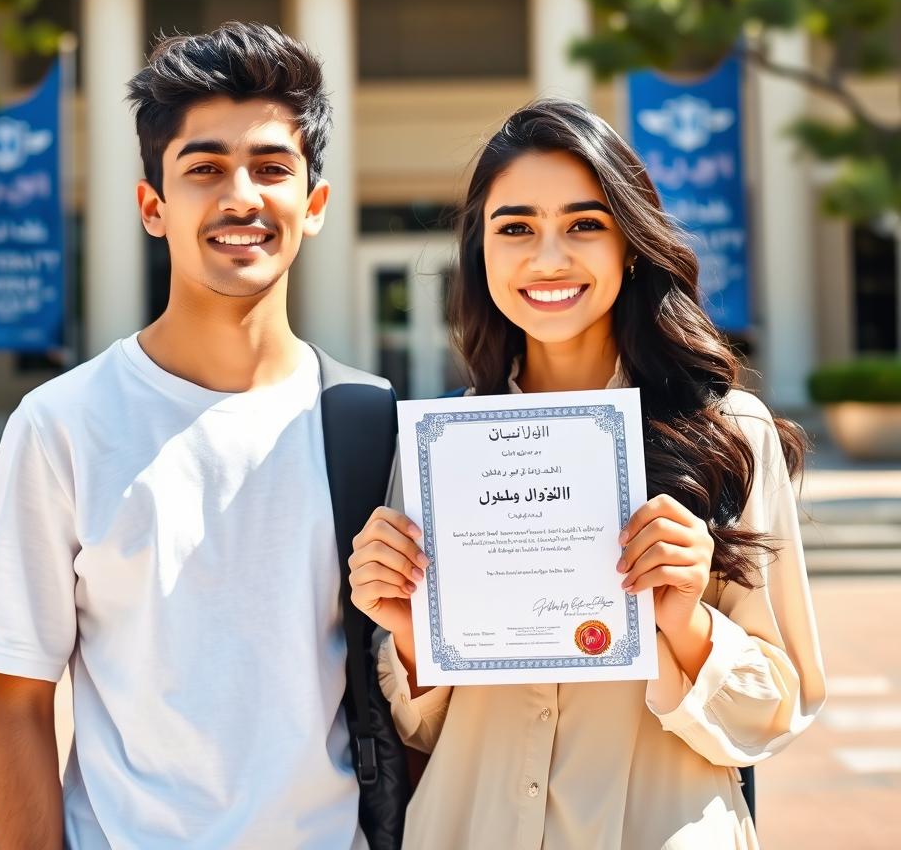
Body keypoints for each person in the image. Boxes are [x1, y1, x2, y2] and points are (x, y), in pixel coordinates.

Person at [348, 100, 826, 849]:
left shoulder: (728, 433)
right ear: (480, 253)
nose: (548, 259)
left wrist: (687, 621)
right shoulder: (441, 451)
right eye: (515, 228)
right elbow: (416, 727)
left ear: (630, 245)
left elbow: (773, 710)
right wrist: (412, 639)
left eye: (584, 224)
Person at [0, 23, 387, 849]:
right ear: (153, 206)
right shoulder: (64, 425)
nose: (240, 198)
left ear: (315, 204)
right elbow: (17, 701)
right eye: (204, 169)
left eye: (271, 168)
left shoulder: (368, 422)